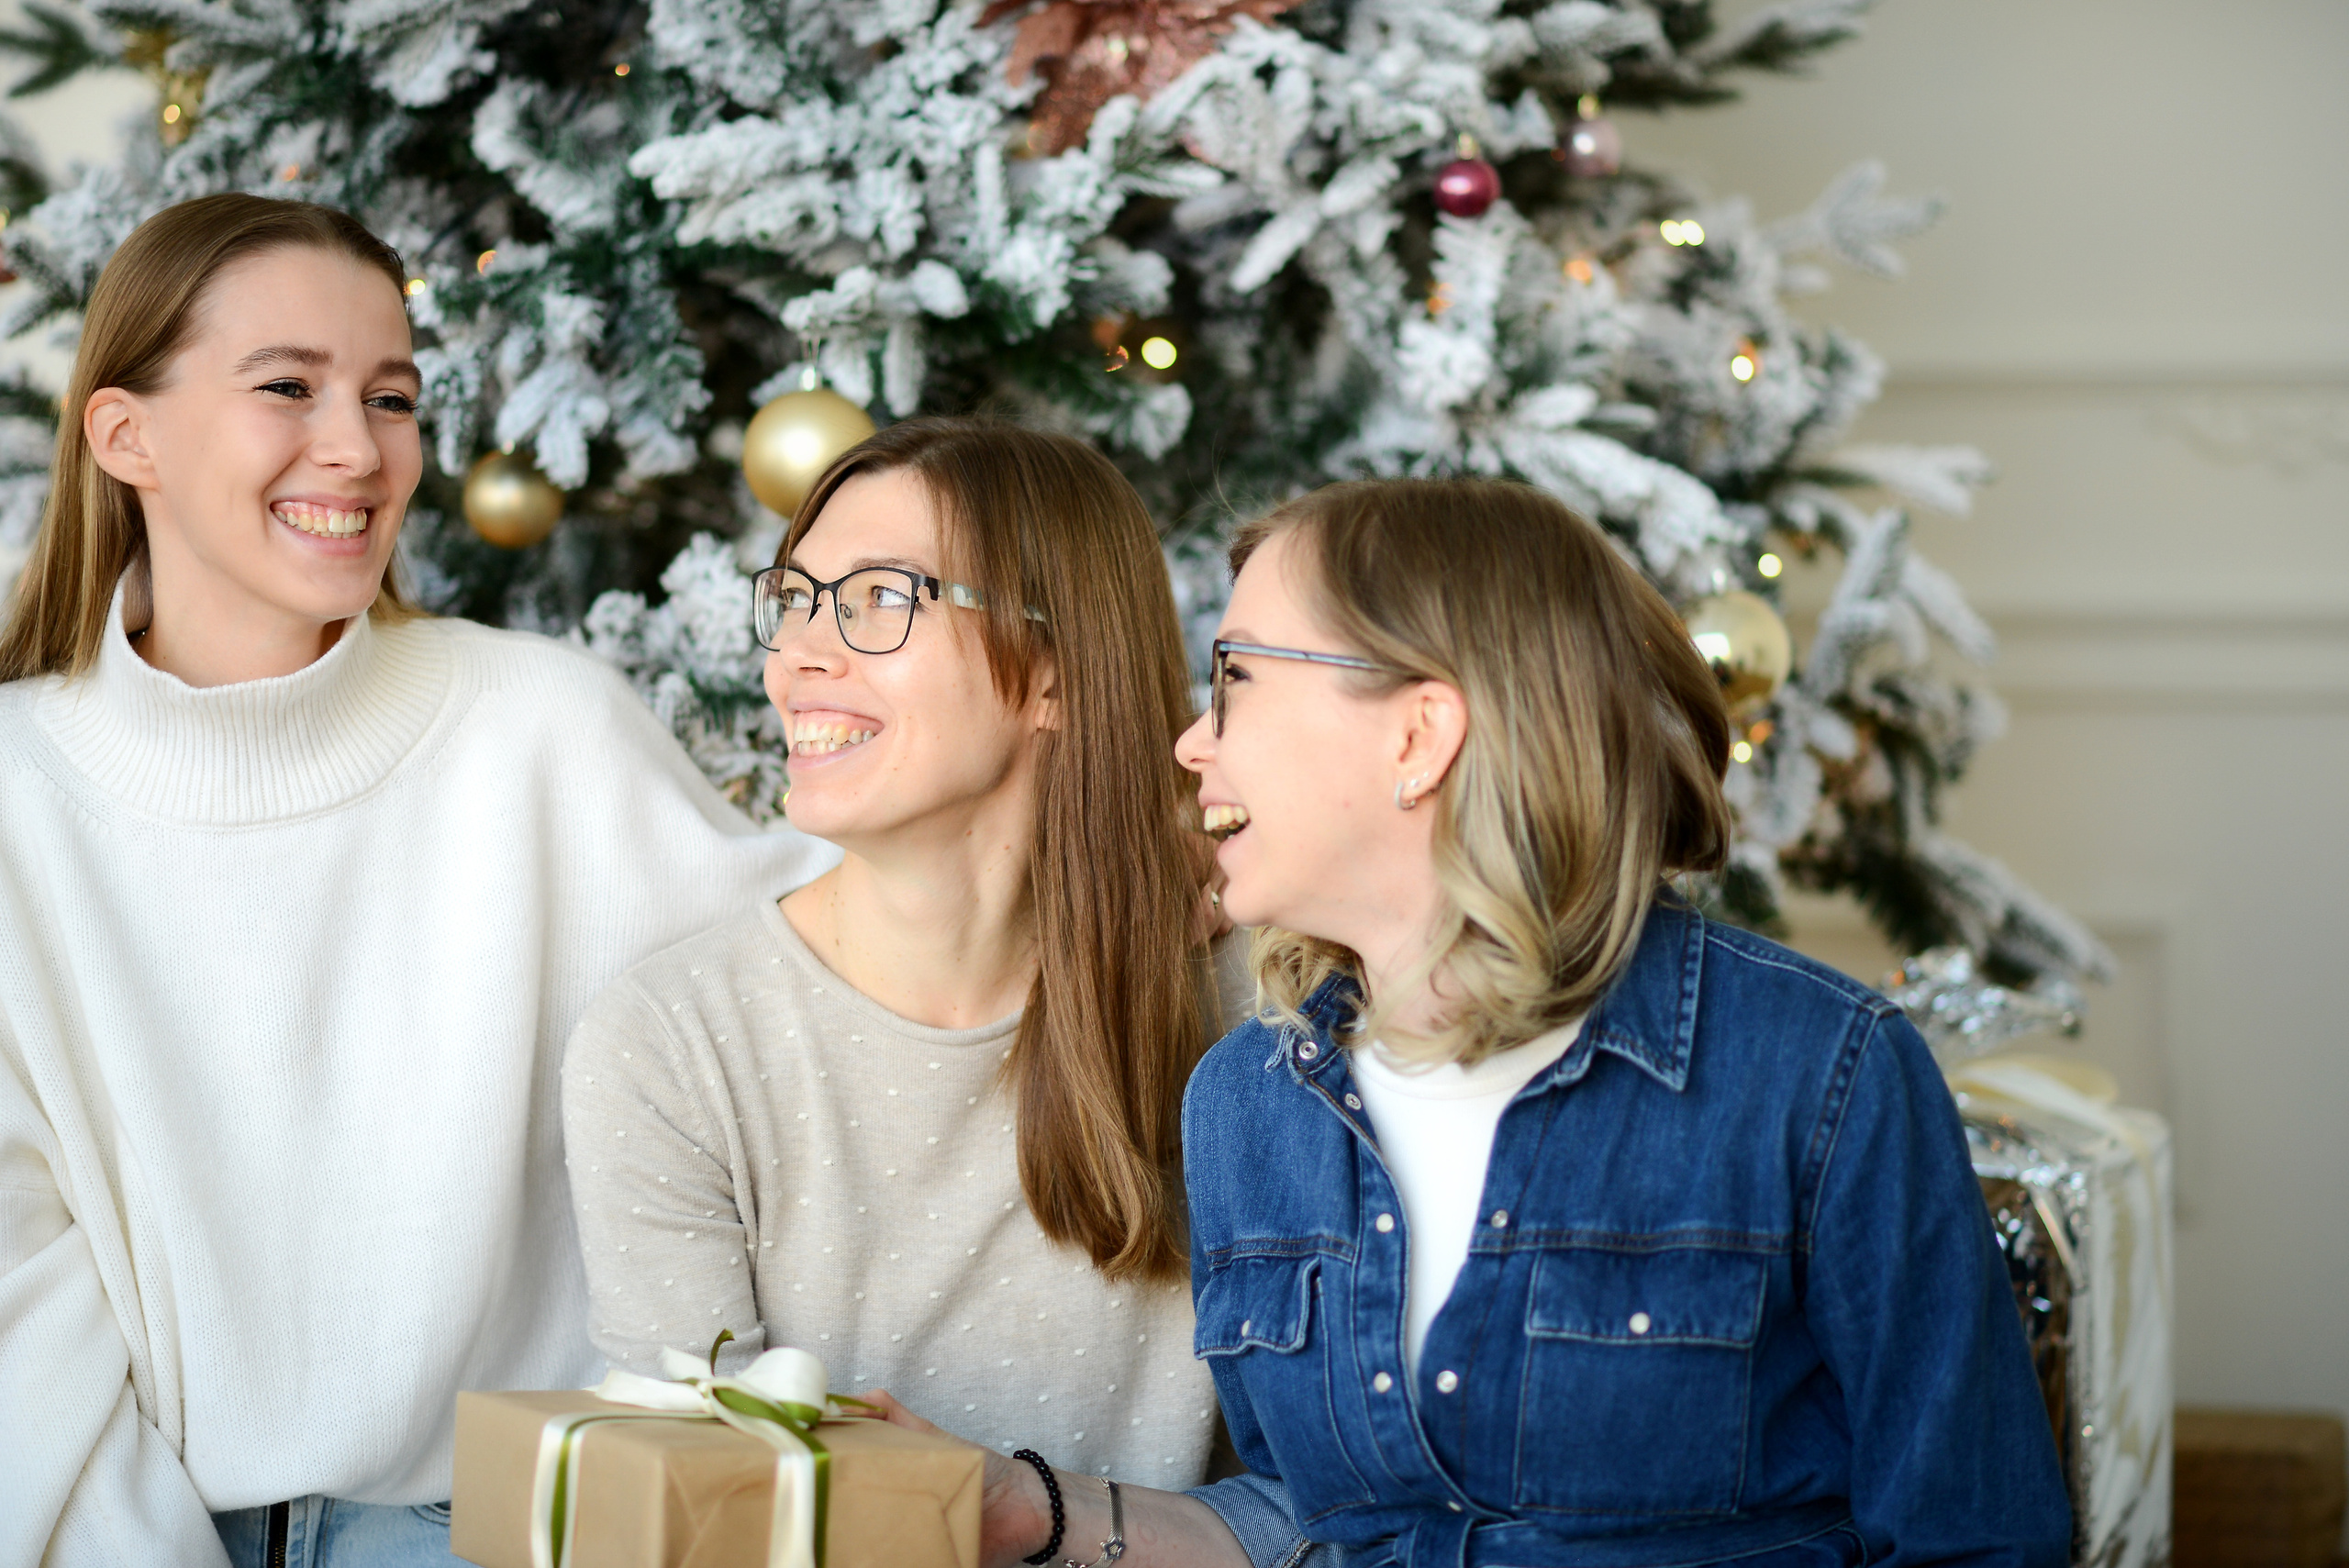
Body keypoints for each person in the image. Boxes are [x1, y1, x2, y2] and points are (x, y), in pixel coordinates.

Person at [884, 476, 2072, 1568]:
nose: (1193, 741)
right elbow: (1321, 1519)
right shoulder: (1248, 1101)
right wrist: (1018, 1504)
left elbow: (1977, 1542)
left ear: (1419, 736)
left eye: (1237, 676)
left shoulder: (1822, 1071)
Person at [0, 195, 833, 1566]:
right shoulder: (22, 802)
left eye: (394, 397)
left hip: (492, 1531)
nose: (358, 448)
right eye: (289, 387)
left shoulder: (539, 729)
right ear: (122, 434)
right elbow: (21, 1335)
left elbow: (845, 977)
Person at [562, 418, 1250, 1527]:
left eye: (882, 597)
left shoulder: (1249, 1001)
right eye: (794, 596)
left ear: (1055, 672)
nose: (800, 654)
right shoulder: (674, 1042)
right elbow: (695, 1525)